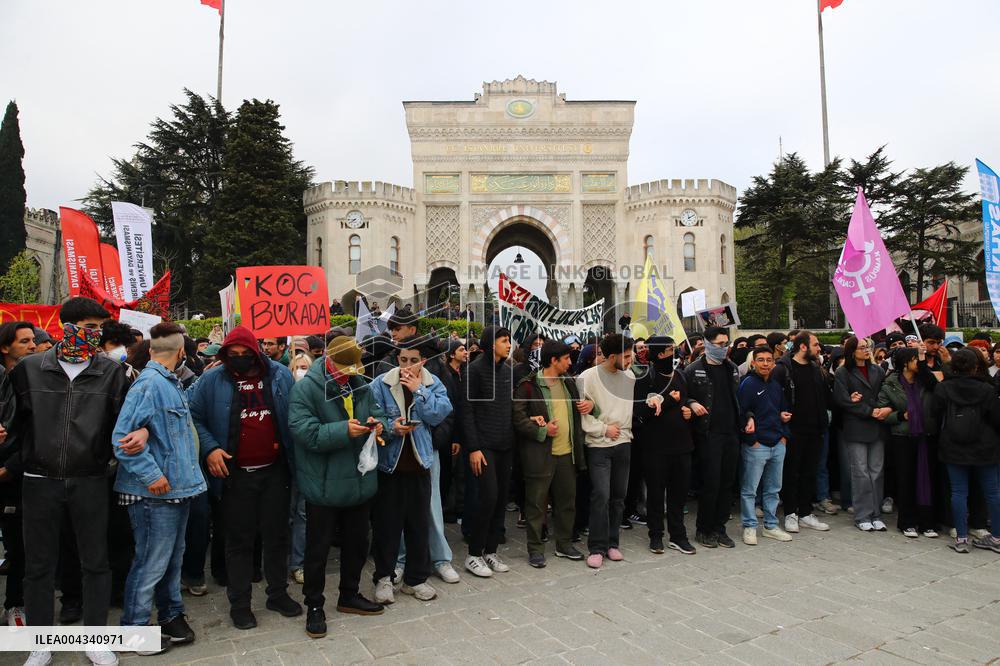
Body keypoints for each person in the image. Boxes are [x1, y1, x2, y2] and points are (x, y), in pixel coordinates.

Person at [10, 297, 128, 666]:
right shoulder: (29, 369)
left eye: (98, 329)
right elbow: (14, 424)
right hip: (38, 479)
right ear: (68, 326)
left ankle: (96, 638)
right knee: (39, 566)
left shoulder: (111, 372)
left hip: (90, 478)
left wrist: (132, 438)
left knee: (95, 561)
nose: (95, 335)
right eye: (89, 327)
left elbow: (121, 422)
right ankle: (41, 642)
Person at [188, 325, 301, 630]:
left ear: (256, 352)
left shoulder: (278, 374)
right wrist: (209, 448)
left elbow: (294, 414)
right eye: (232, 355)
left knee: (277, 536)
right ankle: (240, 604)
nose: (239, 359)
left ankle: (277, 594)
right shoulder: (212, 378)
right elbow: (193, 415)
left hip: (275, 471)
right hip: (234, 475)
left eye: (245, 354)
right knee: (238, 541)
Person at [112, 322, 206, 655]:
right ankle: (134, 631)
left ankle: (170, 615)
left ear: (151, 350)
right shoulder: (150, 385)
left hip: (176, 490)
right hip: (154, 495)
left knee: (169, 561)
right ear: (182, 352)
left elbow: (160, 429)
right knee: (151, 562)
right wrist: (152, 475)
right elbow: (122, 442)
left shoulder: (166, 383)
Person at [289, 336, 388, 638]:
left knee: (358, 543)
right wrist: (343, 429)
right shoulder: (306, 389)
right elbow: (305, 432)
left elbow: (378, 410)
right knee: (317, 549)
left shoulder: (360, 383)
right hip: (324, 484)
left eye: (353, 367)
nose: (348, 372)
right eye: (343, 367)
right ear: (329, 360)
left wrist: (377, 423)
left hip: (359, 481)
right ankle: (314, 605)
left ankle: (349, 594)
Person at [369, 338, 452, 602]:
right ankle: (384, 578)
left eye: (413, 361)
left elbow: (439, 413)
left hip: (420, 463)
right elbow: (371, 415)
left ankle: (416, 579)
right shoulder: (381, 383)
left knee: (418, 525)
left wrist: (420, 391)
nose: (407, 366)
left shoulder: (431, 383)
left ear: (423, 361)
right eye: (403, 360)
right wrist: (391, 427)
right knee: (388, 525)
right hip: (389, 465)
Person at [512, 340, 588, 568]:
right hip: (540, 456)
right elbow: (518, 418)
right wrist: (543, 430)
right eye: (565, 358)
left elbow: (582, 408)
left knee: (567, 503)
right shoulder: (529, 385)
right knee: (536, 506)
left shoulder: (569, 383)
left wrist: (590, 405)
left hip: (567, 454)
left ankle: (564, 544)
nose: (570, 362)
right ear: (553, 360)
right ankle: (535, 549)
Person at [685, 326, 754, 549]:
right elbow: (681, 394)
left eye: (727, 344)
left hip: (731, 433)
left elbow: (740, 399)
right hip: (708, 434)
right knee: (711, 483)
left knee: (727, 483)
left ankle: (719, 527)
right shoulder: (694, 369)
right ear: (707, 344)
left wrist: (749, 416)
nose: (724, 348)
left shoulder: (732, 369)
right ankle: (704, 529)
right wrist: (691, 403)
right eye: (719, 344)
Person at [930, 348, 1000, 554]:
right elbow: (996, 419)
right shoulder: (987, 389)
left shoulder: (944, 388)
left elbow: (934, 413)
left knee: (958, 491)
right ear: (976, 366)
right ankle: (996, 536)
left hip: (953, 445)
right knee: (993, 492)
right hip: (985, 447)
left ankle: (961, 538)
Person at [633, 336, 696, 555]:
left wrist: (688, 408)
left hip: (682, 445)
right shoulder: (644, 379)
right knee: (656, 495)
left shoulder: (679, 375)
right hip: (655, 448)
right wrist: (668, 400)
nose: (675, 354)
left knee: (679, 495)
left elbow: (685, 400)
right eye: (670, 350)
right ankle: (656, 535)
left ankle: (678, 536)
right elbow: (640, 414)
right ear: (659, 354)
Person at [460, 326, 515, 578]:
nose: (508, 344)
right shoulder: (474, 370)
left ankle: (490, 551)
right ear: (491, 344)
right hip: (483, 447)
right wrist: (473, 448)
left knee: (501, 498)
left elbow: (509, 409)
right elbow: (467, 411)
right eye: (504, 341)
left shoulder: (507, 370)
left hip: (505, 445)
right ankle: (473, 554)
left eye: (509, 340)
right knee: (488, 497)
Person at [577, 334, 635, 569]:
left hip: (624, 443)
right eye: (627, 356)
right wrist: (603, 429)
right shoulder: (586, 377)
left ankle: (613, 544)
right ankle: (597, 547)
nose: (631, 360)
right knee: (601, 495)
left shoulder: (630, 376)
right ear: (612, 357)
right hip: (599, 445)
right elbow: (582, 412)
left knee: (618, 497)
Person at [771, 331, 831, 533]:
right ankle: (790, 513)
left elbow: (825, 397)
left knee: (809, 472)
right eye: (815, 344)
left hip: (815, 429)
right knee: (791, 472)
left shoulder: (816, 368)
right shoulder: (782, 369)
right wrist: (780, 416)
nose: (819, 348)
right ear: (803, 347)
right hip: (792, 431)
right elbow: (773, 398)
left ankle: (805, 513)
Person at [878, 347, 940, 538]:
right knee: (906, 480)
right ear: (905, 363)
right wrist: (900, 416)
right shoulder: (890, 384)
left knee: (927, 479)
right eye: (915, 360)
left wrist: (922, 360)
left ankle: (927, 522)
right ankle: (907, 522)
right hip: (902, 437)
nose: (918, 364)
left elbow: (935, 387)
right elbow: (881, 412)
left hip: (926, 436)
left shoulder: (925, 380)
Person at [737, 347, 794, 545]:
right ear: (753, 362)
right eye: (760, 359)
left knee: (773, 489)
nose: (765, 363)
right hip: (757, 445)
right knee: (750, 489)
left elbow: (783, 409)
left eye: (769, 360)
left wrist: (784, 436)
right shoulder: (747, 384)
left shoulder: (776, 385)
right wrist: (752, 441)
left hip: (777, 443)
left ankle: (770, 525)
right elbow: (741, 412)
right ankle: (750, 526)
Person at [834, 337, 890, 532]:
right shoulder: (843, 372)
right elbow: (842, 401)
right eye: (862, 348)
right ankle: (862, 515)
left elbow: (885, 394)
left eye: (867, 347)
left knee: (876, 471)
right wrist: (867, 410)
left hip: (877, 425)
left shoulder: (878, 370)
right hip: (856, 426)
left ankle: (876, 513)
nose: (866, 350)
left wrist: (882, 410)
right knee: (860, 472)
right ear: (852, 351)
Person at [286, 352, 314, 585]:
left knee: (303, 515)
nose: (301, 371)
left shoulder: (316, 395)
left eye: (306, 367)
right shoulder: (283, 393)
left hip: (307, 464)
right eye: (298, 367)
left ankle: (298, 562)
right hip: (285, 463)